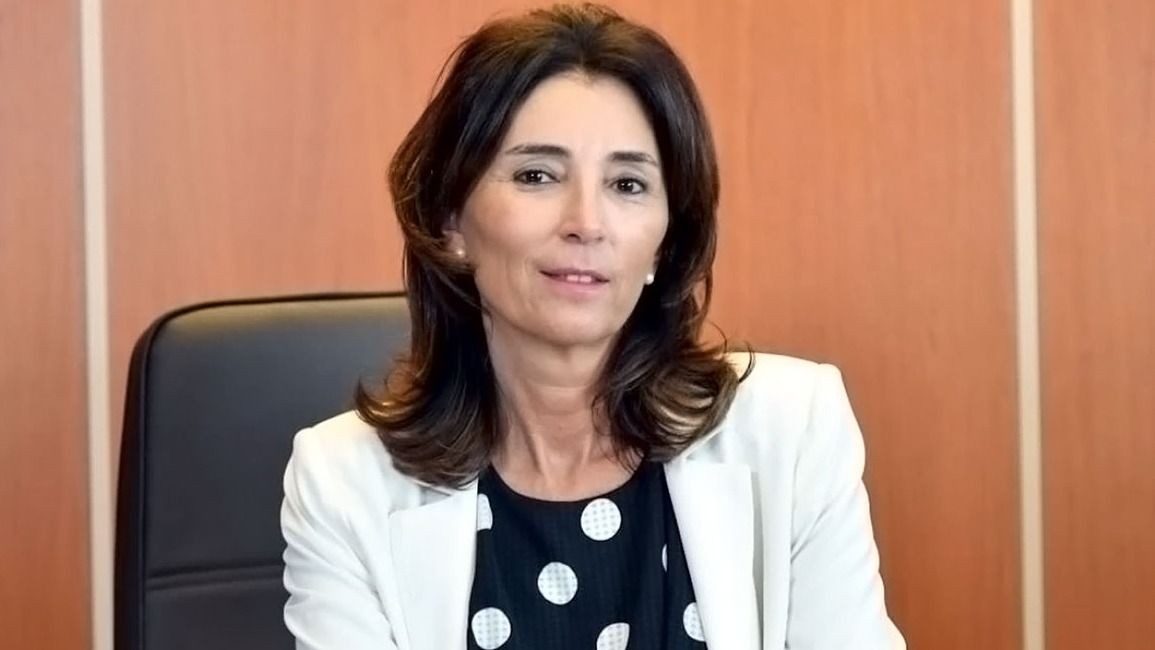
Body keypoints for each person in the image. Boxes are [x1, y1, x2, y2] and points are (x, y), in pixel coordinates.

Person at [280, 4, 905, 649]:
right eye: (537, 176)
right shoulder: (340, 483)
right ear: (451, 220)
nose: (587, 222)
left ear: (665, 242)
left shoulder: (793, 431)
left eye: (628, 184)